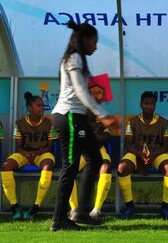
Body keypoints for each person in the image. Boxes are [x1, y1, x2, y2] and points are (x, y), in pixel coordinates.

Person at [50, 20, 115, 231]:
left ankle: (81, 211)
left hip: (77, 118)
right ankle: (59, 219)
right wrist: (102, 114)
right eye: (94, 42)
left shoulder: (78, 59)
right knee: (70, 166)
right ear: (84, 40)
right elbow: (80, 91)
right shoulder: (74, 58)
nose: (96, 46)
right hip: (68, 116)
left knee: (95, 159)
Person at [118, 91, 168, 220]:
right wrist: (140, 155)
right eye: (146, 103)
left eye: (152, 104)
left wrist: (152, 156)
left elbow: (165, 147)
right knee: (122, 168)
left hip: (157, 153)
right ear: (141, 105)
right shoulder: (132, 122)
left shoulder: (163, 122)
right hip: (136, 152)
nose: (149, 106)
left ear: (155, 105)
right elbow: (128, 145)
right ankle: (129, 206)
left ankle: (165, 207)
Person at [1, 92, 56, 220]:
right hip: (24, 154)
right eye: (38, 105)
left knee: (47, 166)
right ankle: (14, 206)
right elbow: (18, 147)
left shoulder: (49, 123)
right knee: (6, 166)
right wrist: (26, 154)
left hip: (42, 153)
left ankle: (36, 206)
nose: (42, 108)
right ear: (30, 108)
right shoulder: (19, 123)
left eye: (42, 105)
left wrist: (36, 153)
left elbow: (49, 147)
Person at [69, 92, 113, 222]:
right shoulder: (77, 121)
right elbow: (76, 140)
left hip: (99, 151)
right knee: (69, 170)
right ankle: (74, 209)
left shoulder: (102, 123)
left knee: (106, 167)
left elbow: (105, 139)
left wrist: (88, 137)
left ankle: (96, 210)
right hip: (81, 152)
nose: (92, 111)